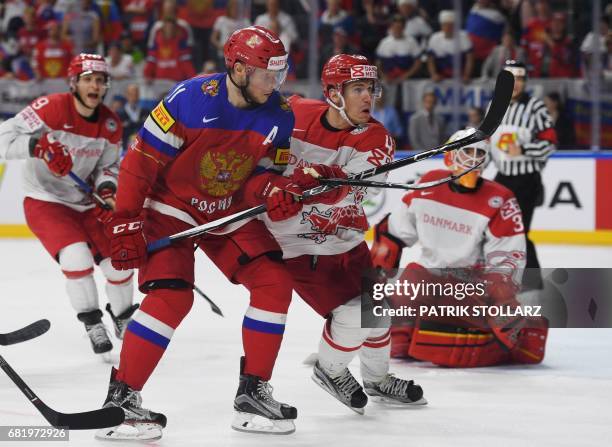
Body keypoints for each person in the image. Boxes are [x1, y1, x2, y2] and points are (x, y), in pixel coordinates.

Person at [96, 26, 308, 440]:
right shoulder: (190, 99)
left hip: (226, 210)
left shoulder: (280, 115)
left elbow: (264, 176)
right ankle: (120, 400)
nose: (276, 84)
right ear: (239, 67)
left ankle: (252, 394)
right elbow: (140, 163)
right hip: (170, 208)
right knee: (172, 297)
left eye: (280, 74)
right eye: (268, 74)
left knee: (274, 283)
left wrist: (270, 189)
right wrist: (125, 220)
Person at [264, 54, 426, 414]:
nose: (368, 97)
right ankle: (330, 370)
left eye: (370, 88)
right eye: (357, 89)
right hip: (298, 245)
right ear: (333, 92)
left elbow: (352, 190)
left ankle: (377, 379)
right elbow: (255, 157)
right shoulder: (291, 112)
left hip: (348, 239)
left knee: (378, 311)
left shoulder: (377, 138)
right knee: (354, 315)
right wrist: (271, 189)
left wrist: (315, 176)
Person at [370, 129, 548, 367]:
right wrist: (376, 281)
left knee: (448, 349)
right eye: (467, 152)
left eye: (479, 154)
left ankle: (522, 339)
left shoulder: (501, 199)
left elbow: (508, 260)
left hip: (471, 286)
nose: (473, 160)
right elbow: (391, 235)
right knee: (399, 341)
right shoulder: (426, 186)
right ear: (450, 156)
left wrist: (501, 299)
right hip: (429, 279)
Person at [0, 53, 138, 356]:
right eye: (88, 79)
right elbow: (2, 138)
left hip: (87, 203)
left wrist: (106, 189)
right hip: (45, 200)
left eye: (100, 80)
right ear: (74, 83)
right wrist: (36, 147)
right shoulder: (48, 109)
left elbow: (109, 166)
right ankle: (92, 322)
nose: (95, 86)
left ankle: (124, 316)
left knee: (119, 262)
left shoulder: (111, 124)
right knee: (75, 258)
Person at [488, 60, 557, 290]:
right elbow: (487, 141)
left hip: (526, 180)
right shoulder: (494, 106)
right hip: (502, 177)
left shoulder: (535, 107)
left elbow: (550, 142)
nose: (516, 84)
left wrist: (525, 149)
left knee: (519, 232)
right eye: (511, 79)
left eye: (520, 79)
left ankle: (532, 283)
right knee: (490, 226)